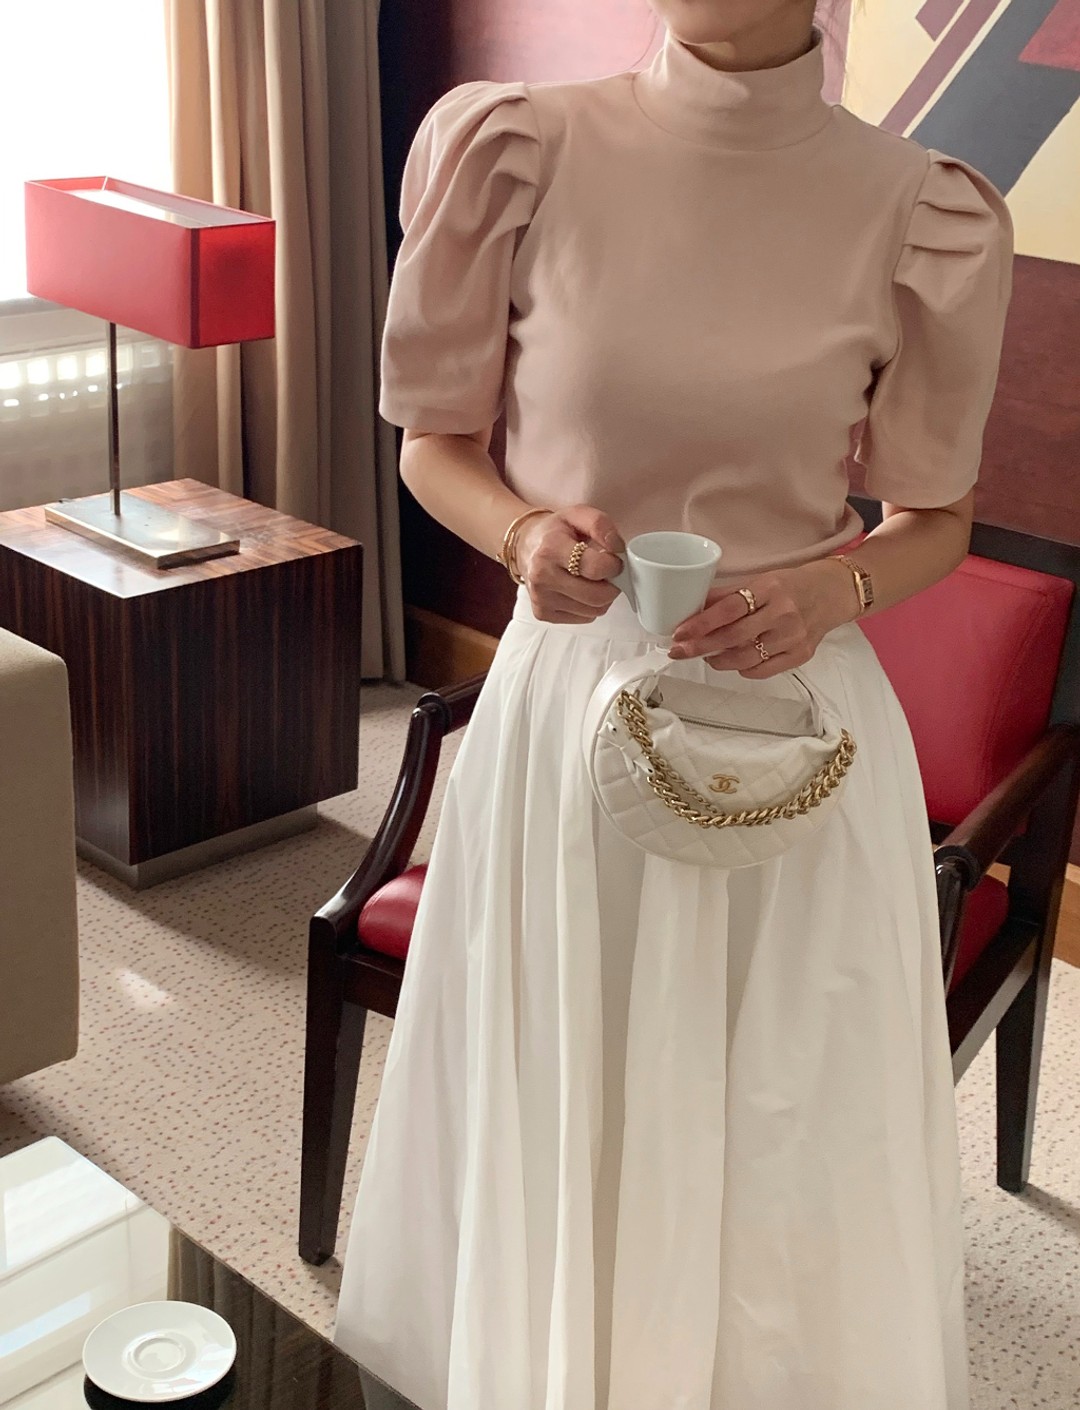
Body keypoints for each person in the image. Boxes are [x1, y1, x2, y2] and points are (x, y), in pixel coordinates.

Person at [335, 1, 1013, 1406]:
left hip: (794, 726)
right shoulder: (519, 150)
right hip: (567, 706)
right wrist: (523, 533)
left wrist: (835, 588)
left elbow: (936, 516)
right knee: (558, 1084)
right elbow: (433, 443)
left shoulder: (918, 211)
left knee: (782, 1124)